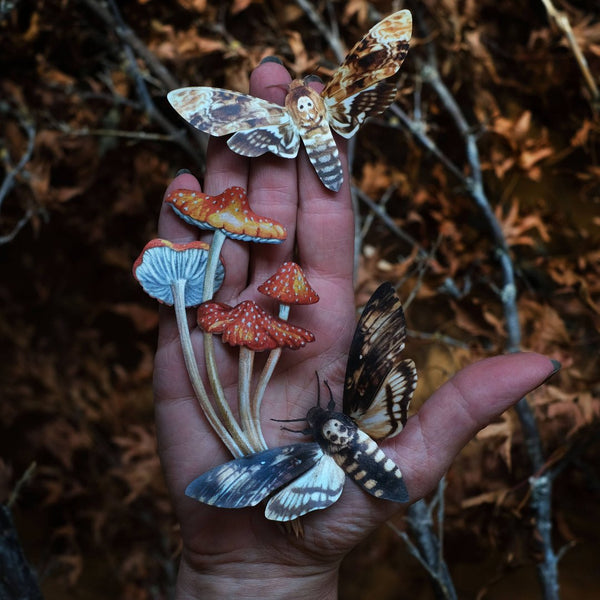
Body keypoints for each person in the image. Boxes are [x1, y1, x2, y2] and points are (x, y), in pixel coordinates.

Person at [153, 58, 559, 599]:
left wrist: (245, 576)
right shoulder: (334, 417)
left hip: (321, 461)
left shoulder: (307, 433)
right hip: (346, 434)